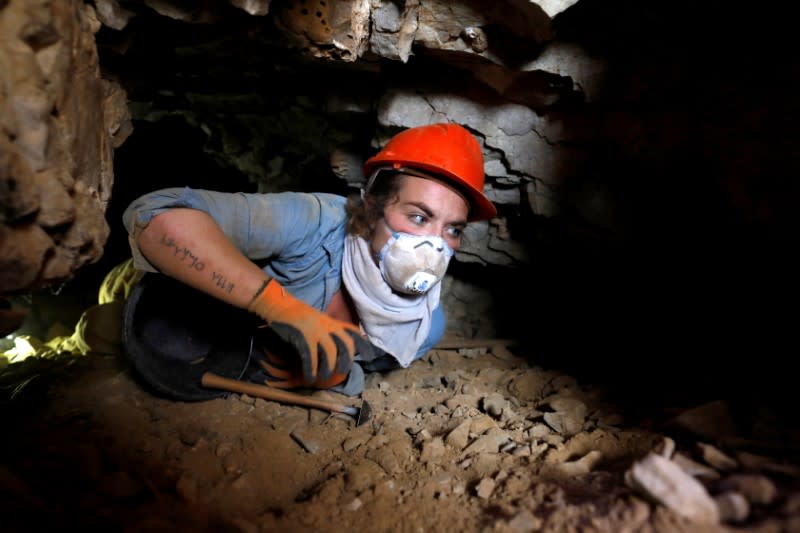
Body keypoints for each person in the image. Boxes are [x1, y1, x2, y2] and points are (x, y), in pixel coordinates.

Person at [121, 123, 497, 399]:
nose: (434, 246)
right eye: (418, 217)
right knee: (120, 330)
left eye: (452, 230)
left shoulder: (423, 328)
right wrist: (279, 306)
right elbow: (154, 214)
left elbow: (362, 367)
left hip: (226, 356)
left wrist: (337, 377)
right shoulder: (315, 222)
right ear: (371, 209)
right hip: (172, 287)